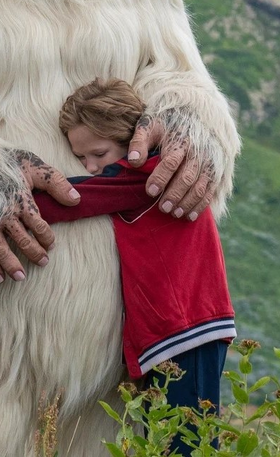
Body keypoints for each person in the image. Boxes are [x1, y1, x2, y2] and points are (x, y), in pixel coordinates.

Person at [37, 78, 235, 455]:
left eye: (99, 153)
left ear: (131, 142)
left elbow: (70, 200)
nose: (93, 167)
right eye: (82, 160)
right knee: (172, 438)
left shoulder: (142, 177)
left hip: (183, 329)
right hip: (189, 329)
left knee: (184, 443)